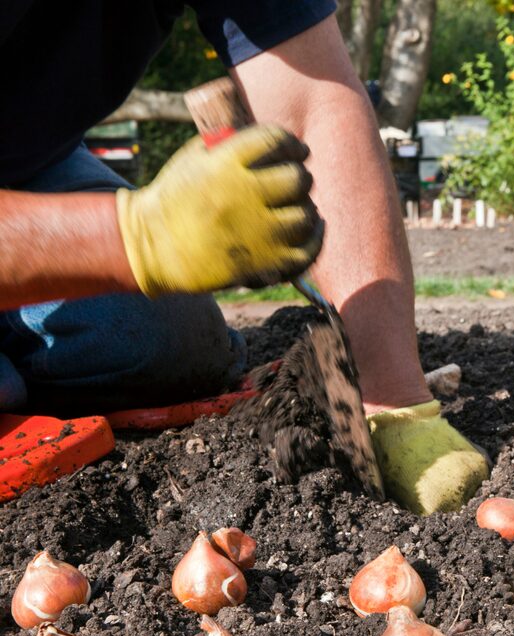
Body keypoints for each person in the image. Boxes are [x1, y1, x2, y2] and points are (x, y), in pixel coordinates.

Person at [0, 2, 488, 515]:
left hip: (31, 160)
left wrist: (393, 397)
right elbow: (136, 238)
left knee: (166, 339)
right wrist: (137, 236)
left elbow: (312, 102)